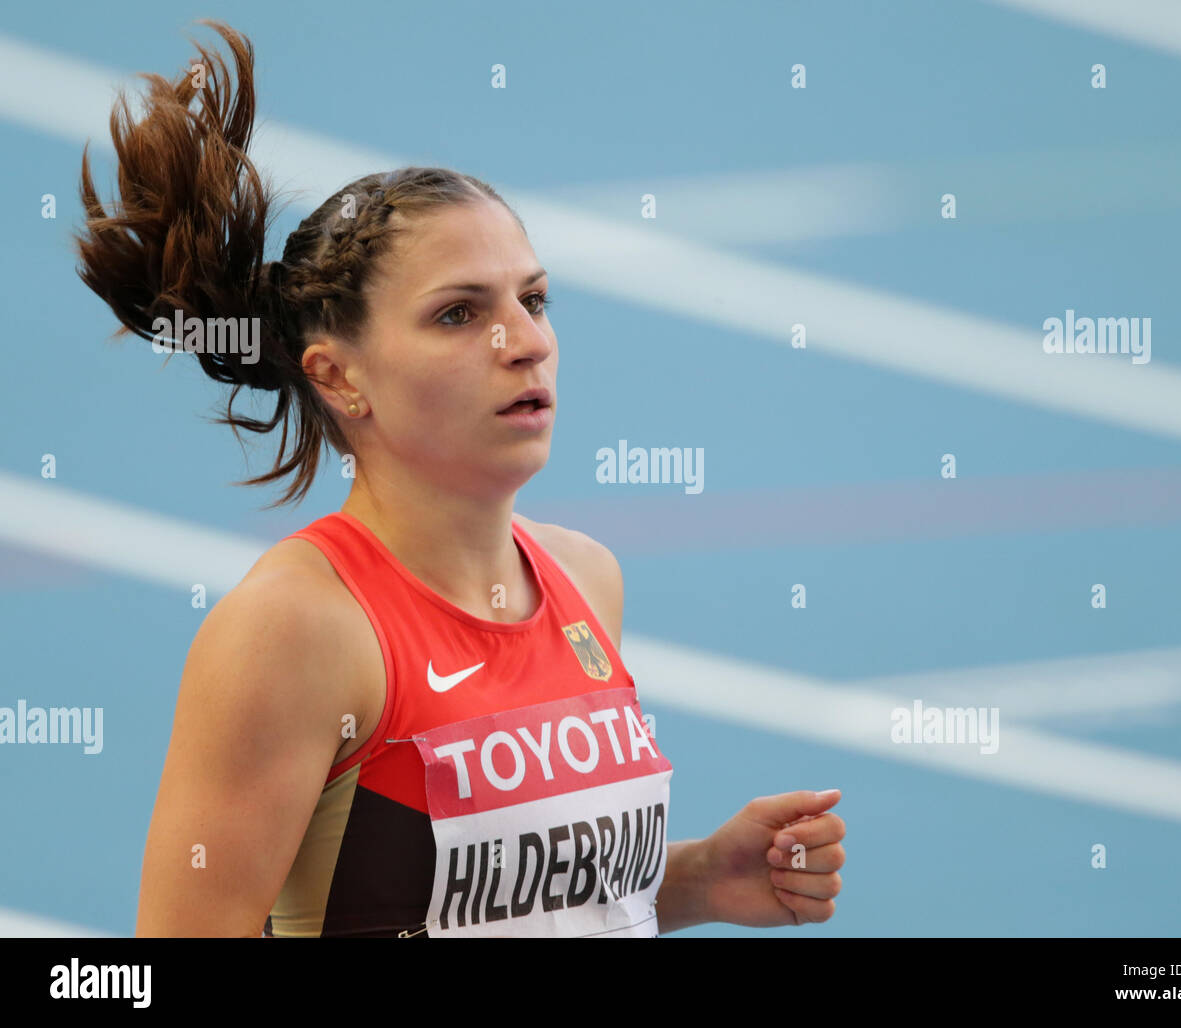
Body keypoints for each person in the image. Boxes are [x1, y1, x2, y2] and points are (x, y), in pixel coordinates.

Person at [75, 19, 845, 937]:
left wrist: (691, 883)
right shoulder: (298, 630)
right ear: (338, 375)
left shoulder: (585, 579)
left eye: (533, 299)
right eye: (457, 314)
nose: (523, 341)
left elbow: (518, 902)